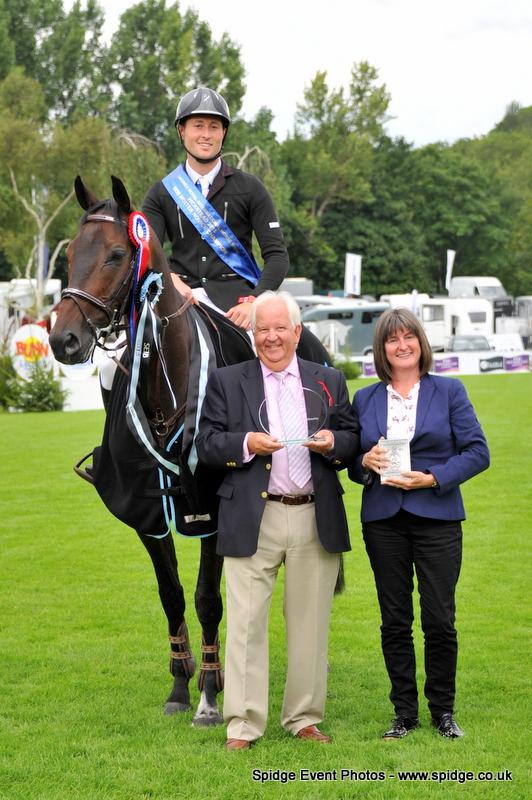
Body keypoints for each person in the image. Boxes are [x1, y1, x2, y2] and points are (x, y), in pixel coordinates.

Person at [195, 291, 359, 750]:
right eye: (261, 329)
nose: (271, 337)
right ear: (253, 336)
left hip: (313, 514)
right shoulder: (228, 382)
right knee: (245, 624)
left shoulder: (327, 379)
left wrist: (333, 443)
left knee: (310, 624)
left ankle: (303, 717)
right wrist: (246, 442)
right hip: (253, 515)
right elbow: (206, 444)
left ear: (297, 333)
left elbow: (352, 436)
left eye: (279, 328)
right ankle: (243, 725)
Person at [349, 308, 489, 740]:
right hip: (384, 521)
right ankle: (404, 713)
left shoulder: (449, 391)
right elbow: (354, 465)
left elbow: (477, 451)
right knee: (394, 620)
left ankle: (443, 712)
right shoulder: (366, 399)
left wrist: (434, 477)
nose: (402, 345)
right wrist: (364, 461)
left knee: (439, 620)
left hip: (437, 518)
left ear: (421, 343)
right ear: (383, 348)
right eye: (393, 339)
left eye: (409, 337)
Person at [142, 86, 290, 331]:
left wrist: (255, 300)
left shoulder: (251, 188)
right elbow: (148, 252)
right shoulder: (162, 192)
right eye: (198, 125)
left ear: (224, 132)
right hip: (180, 298)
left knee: (286, 345)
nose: (206, 134)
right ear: (182, 130)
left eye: (214, 127)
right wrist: (171, 280)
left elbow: (277, 256)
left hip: (238, 305)